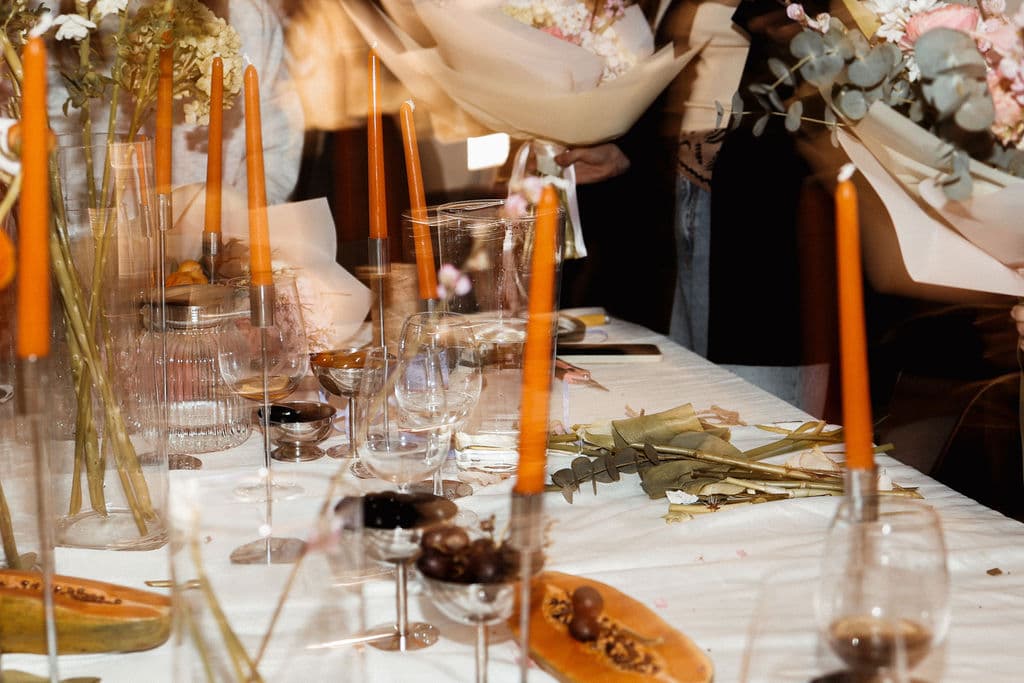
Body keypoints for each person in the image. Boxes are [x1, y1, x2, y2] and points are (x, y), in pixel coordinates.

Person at [45, 0, 303, 205]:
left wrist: (238, 216)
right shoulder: (62, 24)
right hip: (100, 249)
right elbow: (58, 158)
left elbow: (276, 146)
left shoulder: (250, 19)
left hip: (220, 245)